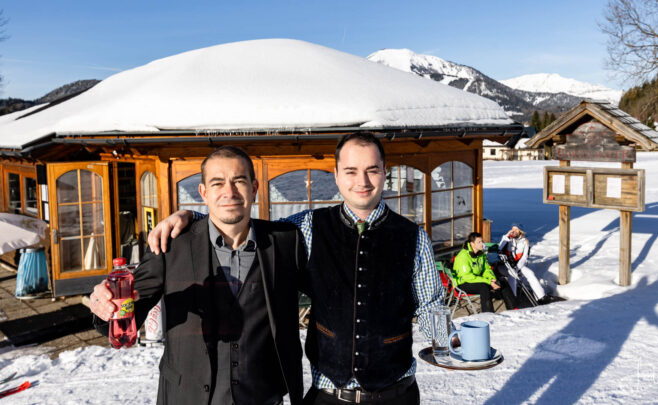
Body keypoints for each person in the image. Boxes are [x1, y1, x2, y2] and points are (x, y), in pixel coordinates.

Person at [148, 133, 445, 405]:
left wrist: (447, 342)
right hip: (328, 395)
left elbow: (431, 304)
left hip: (397, 394)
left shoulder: (414, 237)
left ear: (384, 173)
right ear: (338, 176)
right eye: (351, 171)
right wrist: (190, 217)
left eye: (372, 170)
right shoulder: (307, 227)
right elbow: (241, 222)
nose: (362, 180)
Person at [89, 146, 306, 405]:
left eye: (239, 181)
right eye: (217, 183)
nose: (229, 191)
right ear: (203, 192)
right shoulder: (171, 245)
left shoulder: (286, 241)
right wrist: (107, 307)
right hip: (186, 396)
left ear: (254, 187)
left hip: (262, 397)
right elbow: (129, 310)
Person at [452, 232, 516, 312]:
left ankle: (513, 310)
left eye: (482, 241)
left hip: (477, 280)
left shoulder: (480, 254)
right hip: (462, 283)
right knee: (483, 287)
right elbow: (467, 277)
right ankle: (488, 314)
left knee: (501, 281)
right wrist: (488, 281)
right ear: (472, 244)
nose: (482, 244)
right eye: (479, 242)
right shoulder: (463, 256)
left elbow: (486, 269)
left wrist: (492, 279)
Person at [497, 224, 548, 304]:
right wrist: (507, 236)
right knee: (512, 274)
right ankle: (513, 299)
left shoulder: (525, 242)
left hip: (518, 266)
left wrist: (517, 268)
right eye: (513, 229)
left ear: (520, 231)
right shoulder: (507, 239)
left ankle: (541, 297)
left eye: (516, 229)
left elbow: (524, 258)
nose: (514, 231)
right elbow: (499, 248)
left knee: (530, 273)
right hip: (505, 266)